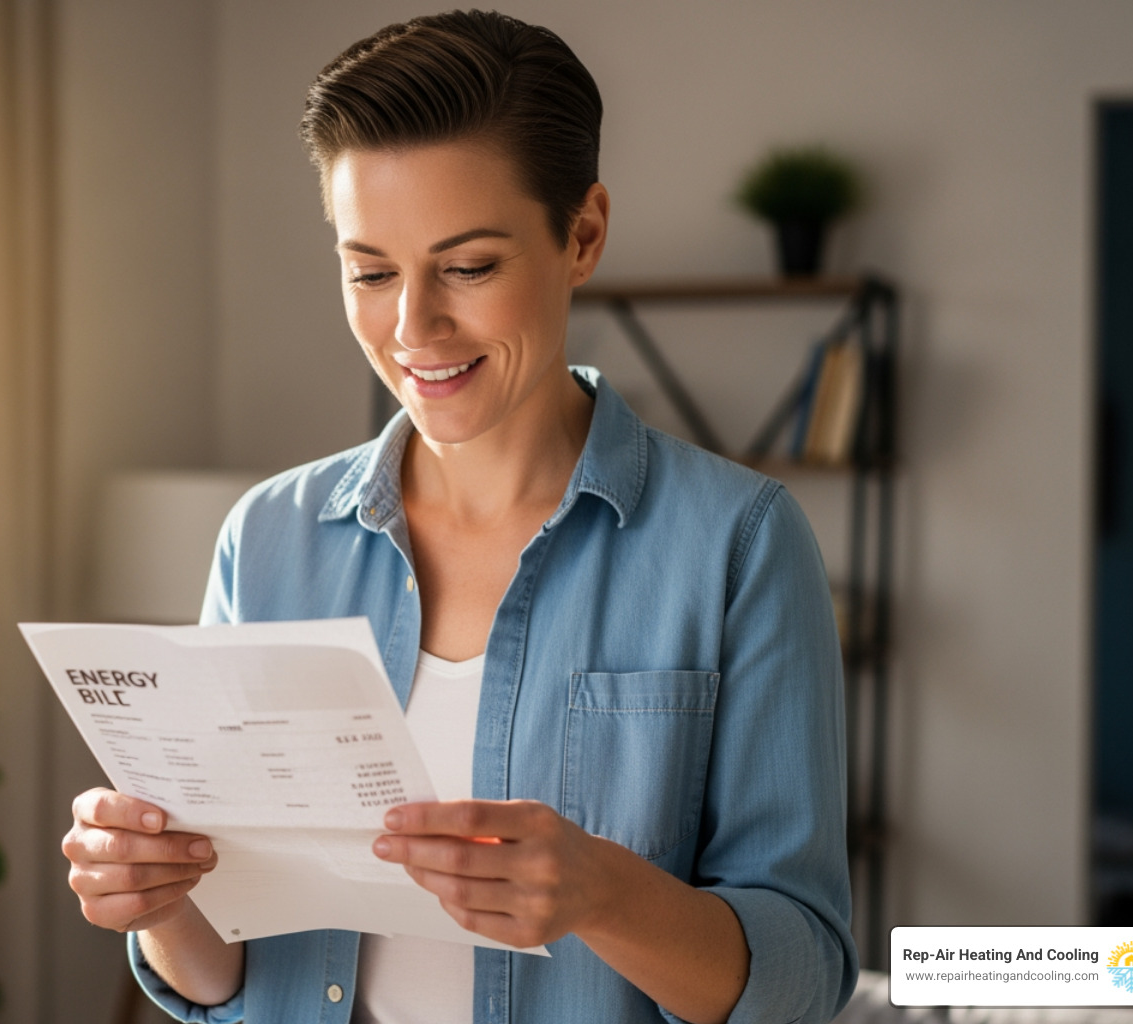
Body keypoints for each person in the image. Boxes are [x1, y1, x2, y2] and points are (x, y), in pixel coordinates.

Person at [61, 10, 856, 1024]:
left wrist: (601, 891)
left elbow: (803, 974)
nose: (412, 329)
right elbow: (226, 976)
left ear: (583, 234)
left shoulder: (738, 544)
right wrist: (158, 904)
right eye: (371, 270)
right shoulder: (266, 540)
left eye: (469, 266)